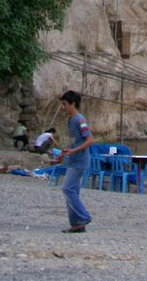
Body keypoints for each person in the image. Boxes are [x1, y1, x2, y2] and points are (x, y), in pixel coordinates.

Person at [59, 90, 94, 233]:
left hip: (80, 161)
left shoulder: (80, 120)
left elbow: (90, 140)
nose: (63, 107)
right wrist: (67, 150)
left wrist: (73, 151)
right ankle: (77, 224)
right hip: (73, 160)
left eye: (65, 104)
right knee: (73, 190)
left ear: (73, 104)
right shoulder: (70, 120)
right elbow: (75, 142)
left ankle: (84, 216)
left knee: (67, 188)